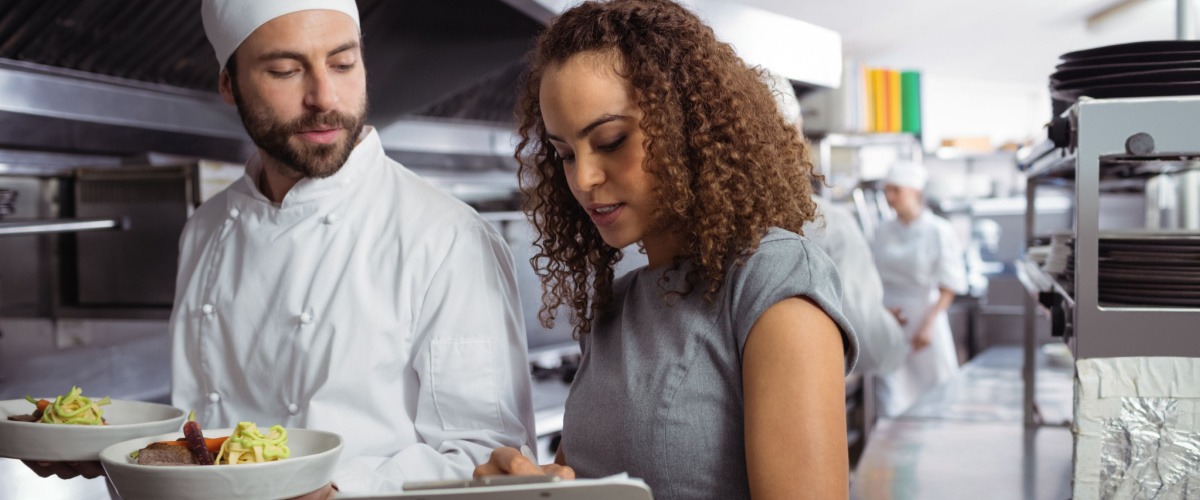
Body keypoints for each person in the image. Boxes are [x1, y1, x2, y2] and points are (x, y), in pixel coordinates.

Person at [15, 1, 536, 496]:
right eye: (286, 71)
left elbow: (490, 458)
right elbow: (204, 445)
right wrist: (112, 453)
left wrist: (339, 488)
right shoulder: (205, 228)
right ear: (229, 84)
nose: (325, 97)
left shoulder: (446, 237)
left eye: (343, 63)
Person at [473, 1, 859, 498]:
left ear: (688, 124)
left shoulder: (772, 278)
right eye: (564, 154)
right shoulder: (614, 308)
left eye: (610, 140)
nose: (583, 178)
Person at [767, 71, 906, 378]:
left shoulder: (692, 227)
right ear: (794, 135)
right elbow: (870, 343)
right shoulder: (829, 225)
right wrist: (889, 330)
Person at [871, 160, 967, 417]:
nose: (890, 197)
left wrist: (928, 324)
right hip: (891, 320)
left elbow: (949, 284)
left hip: (926, 318)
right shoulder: (883, 230)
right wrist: (882, 312)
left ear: (915, 191)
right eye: (887, 191)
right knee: (891, 398)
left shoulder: (939, 231)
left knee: (935, 396)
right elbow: (873, 277)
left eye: (896, 190)